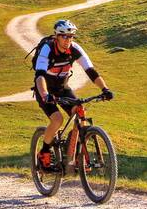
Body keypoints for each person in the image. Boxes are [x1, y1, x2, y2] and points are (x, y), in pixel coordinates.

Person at [32, 19, 112, 171]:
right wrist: (44, 94)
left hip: (62, 88)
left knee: (80, 112)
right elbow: (40, 76)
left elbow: (91, 71)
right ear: (56, 36)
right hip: (45, 89)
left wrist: (105, 89)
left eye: (71, 36)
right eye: (64, 36)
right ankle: (44, 153)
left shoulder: (75, 49)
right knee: (57, 119)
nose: (68, 40)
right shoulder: (47, 49)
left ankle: (73, 152)